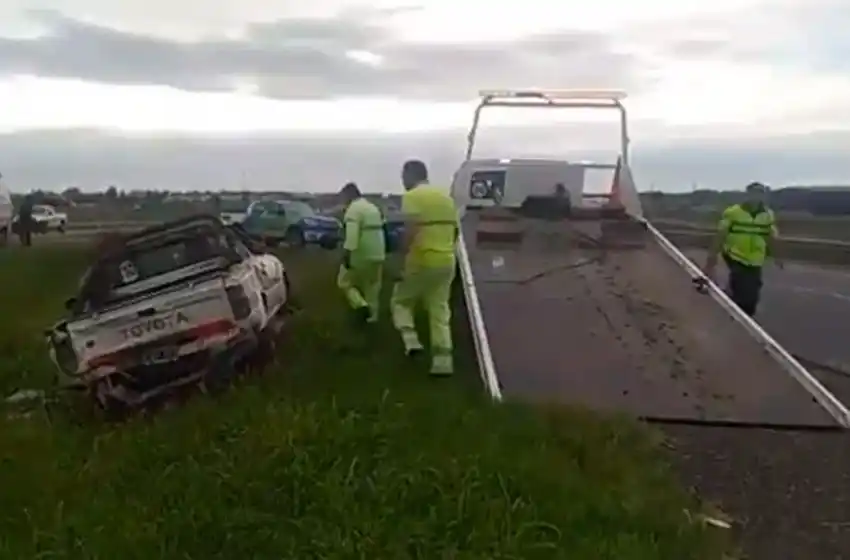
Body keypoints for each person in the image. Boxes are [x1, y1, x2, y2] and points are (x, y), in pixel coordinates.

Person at [391, 160, 459, 376]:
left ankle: (412, 343)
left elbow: (410, 230)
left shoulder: (412, 197)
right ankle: (443, 363)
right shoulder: (446, 198)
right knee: (439, 310)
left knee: (401, 301)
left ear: (411, 175)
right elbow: (456, 231)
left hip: (421, 259)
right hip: (447, 261)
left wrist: (400, 260)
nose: (402, 181)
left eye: (403, 176)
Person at [702, 181, 782, 317]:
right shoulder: (733, 213)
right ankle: (735, 309)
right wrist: (712, 256)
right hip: (735, 254)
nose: (756, 197)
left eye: (760, 193)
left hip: (756, 258)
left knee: (753, 293)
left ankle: (739, 306)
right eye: (753, 193)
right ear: (747, 195)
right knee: (741, 282)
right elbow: (721, 234)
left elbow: (771, 237)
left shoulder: (768, 215)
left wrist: (777, 256)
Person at [337, 182, 386, 324]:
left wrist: (347, 254)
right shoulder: (372, 208)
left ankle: (361, 306)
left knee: (344, 282)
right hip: (378, 253)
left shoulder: (353, 210)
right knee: (373, 286)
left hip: (361, 254)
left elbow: (352, 236)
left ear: (348, 196)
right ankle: (372, 318)